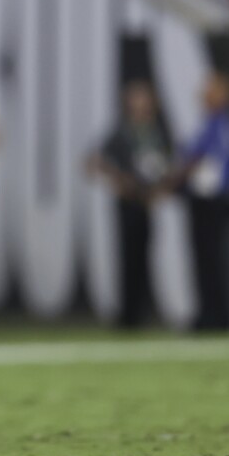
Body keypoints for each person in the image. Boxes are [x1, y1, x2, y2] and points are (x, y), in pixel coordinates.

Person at [89, 79, 171, 327]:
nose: (139, 102)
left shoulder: (155, 131)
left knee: (146, 255)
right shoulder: (122, 131)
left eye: (143, 97)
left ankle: (144, 310)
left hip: (146, 202)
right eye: (136, 97)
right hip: (128, 202)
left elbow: (165, 164)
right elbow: (94, 161)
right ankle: (128, 313)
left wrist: (159, 189)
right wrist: (119, 180)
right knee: (128, 256)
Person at [176, 70, 229, 331]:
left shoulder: (218, 124)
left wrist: (173, 178)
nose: (203, 96)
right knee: (212, 258)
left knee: (209, 259)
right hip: (213, 199)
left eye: (210, 92)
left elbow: (194, 157)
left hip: (209, 200)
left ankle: (212, 317)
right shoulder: (222, 124)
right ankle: (215, 314)